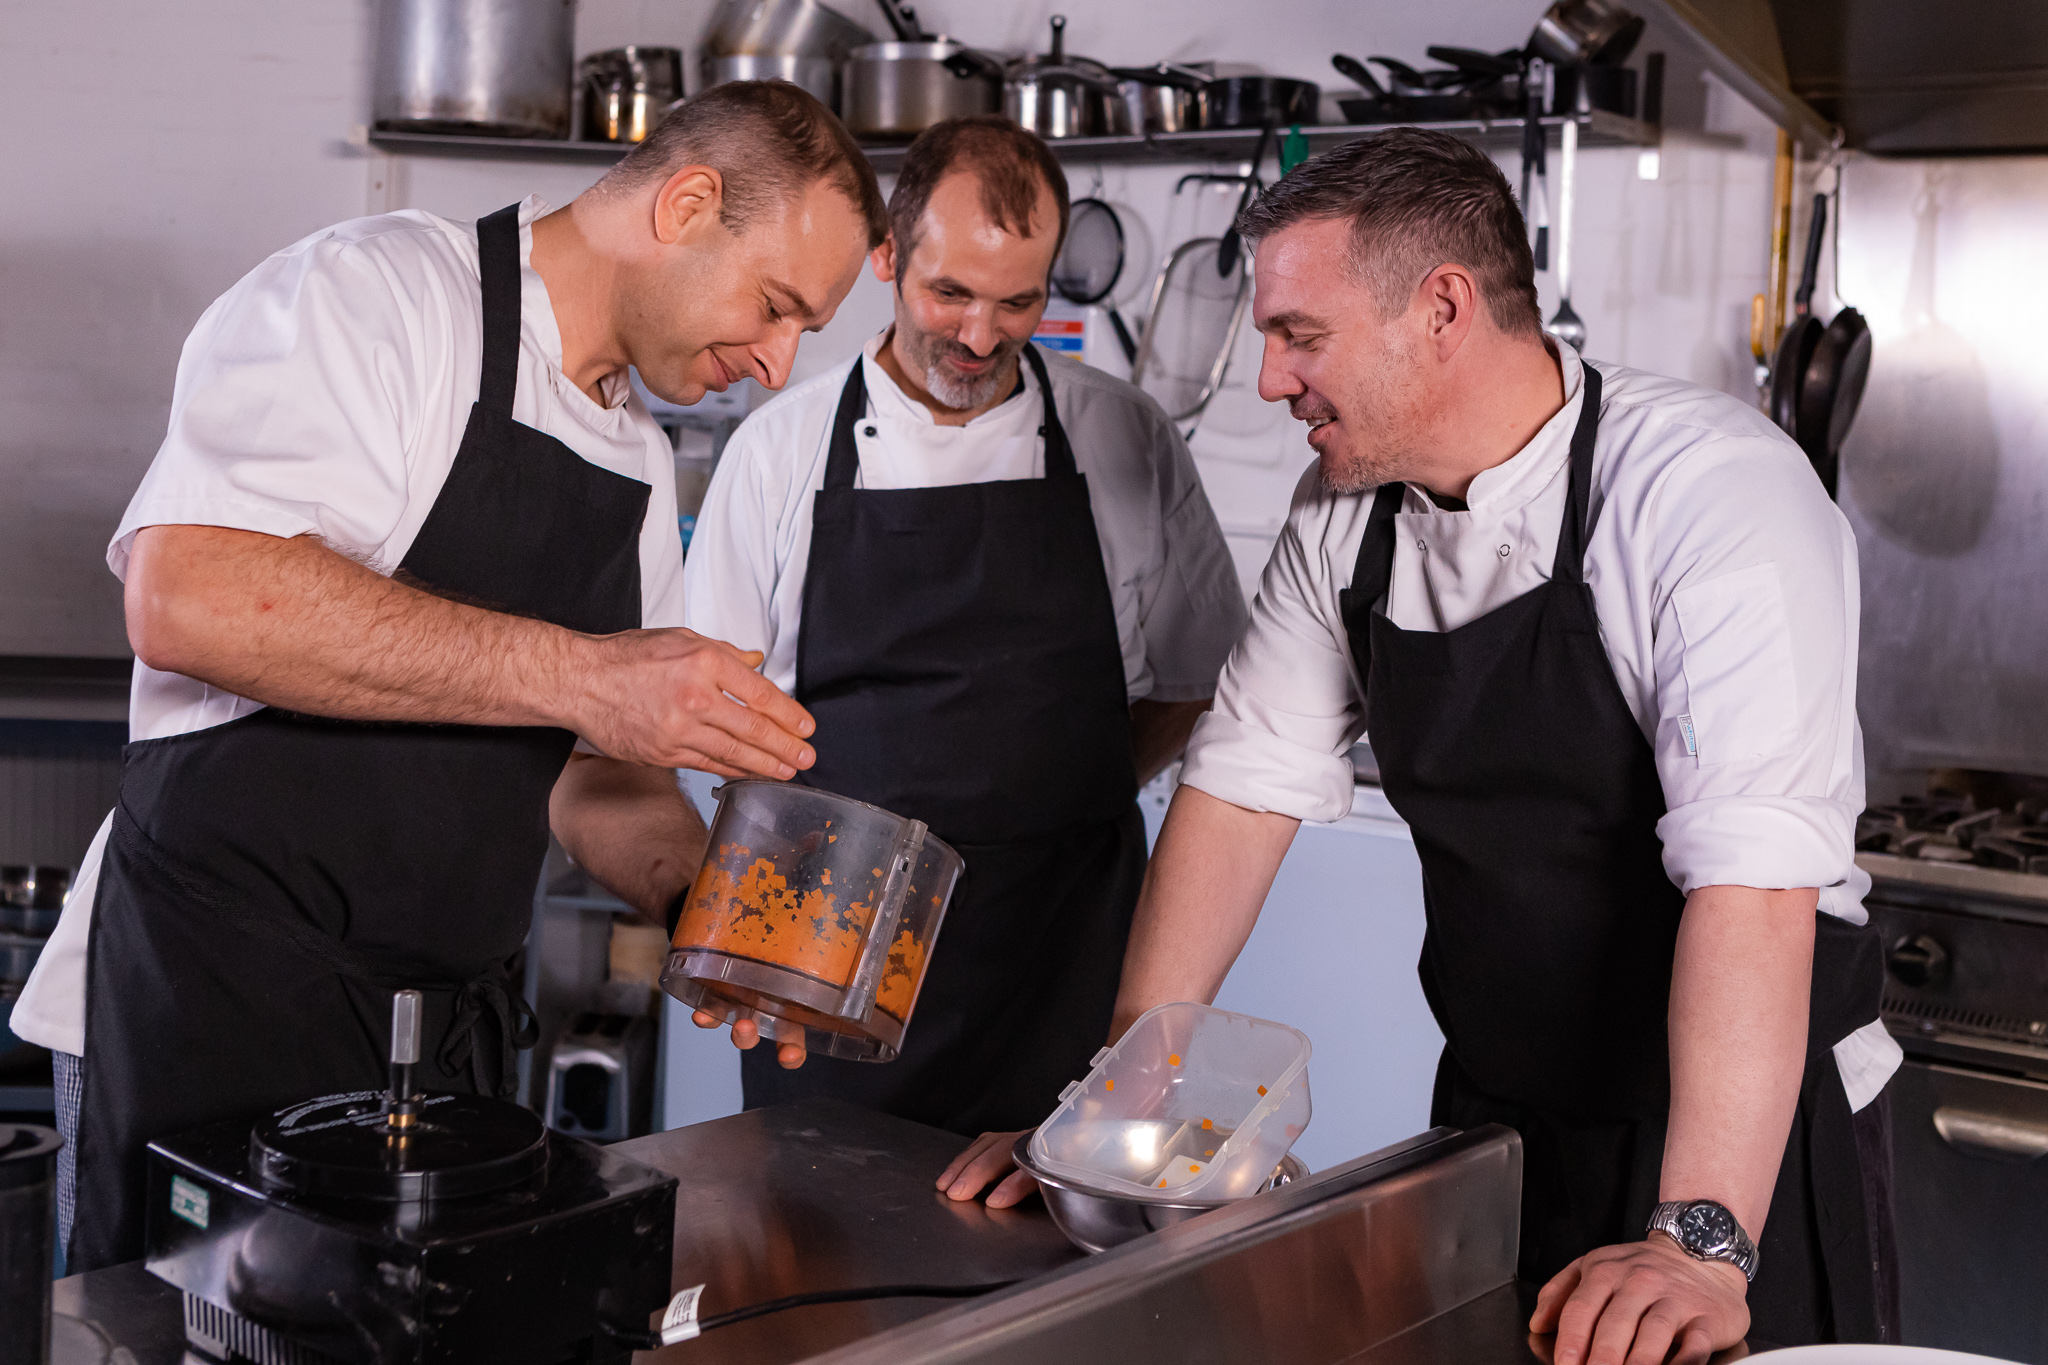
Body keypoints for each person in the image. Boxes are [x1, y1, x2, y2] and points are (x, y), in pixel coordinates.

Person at [942, 129, 1900, 1362]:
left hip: (1743, 1138)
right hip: (1501, 1120)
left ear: (1440, 310)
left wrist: (1694, 1243)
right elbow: (1238, 791)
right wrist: (1111, 1116)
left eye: (1299, 335)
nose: (1270, 381)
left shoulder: (1709, 493)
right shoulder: (1342, 515)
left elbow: (1751, 886)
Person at [10, 81, 887, 1272]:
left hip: (431, 1056)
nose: (777, 366)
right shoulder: (379, 296)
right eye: (776, 307)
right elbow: (191, 595)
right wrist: (586, 675)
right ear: (686, 205)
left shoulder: (635, 457)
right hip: (205, 1002)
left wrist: (716, 922)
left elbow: (602, 780)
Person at [682, 116, 1245, 1137]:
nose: (980, 337)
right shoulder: (778, 449)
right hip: (836, 952)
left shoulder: (1124, 435)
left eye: (1017, 302)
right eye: (950, 294)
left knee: (1059, 1223)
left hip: (1068, 948)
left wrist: (1069, 790)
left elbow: (1195, 675)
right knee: (819, 1217)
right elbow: (719, 710)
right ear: (887, 258)